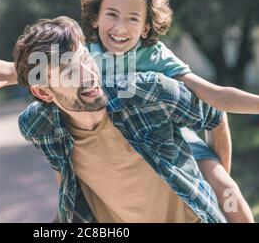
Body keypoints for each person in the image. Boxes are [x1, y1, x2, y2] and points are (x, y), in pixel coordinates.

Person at [0, 0, 259, 222]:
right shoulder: (54, 97)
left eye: (133, 19)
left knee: (225, 188)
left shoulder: (154, 69)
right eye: (112, 15)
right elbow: (10, 72)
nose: (120, 28)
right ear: (95, 18)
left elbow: (214, 102)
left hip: (178, 130)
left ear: (147, 26)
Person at [13, 16, 228, 222]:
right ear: (44, 93)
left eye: (86, 58)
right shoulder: (39, 124)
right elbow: (63, 171)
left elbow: (215, 115)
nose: (89, 75)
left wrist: (220, 182)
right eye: (70, 71)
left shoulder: (148, 92)